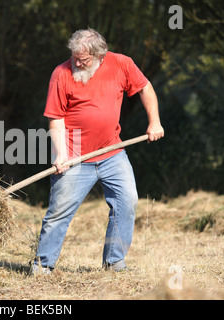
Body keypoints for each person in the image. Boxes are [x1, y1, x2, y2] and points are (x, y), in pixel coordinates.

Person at [32, 28, 164, 274]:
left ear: (101, 55)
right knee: (59, 212)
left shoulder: (122, 64)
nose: (77, 62)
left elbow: (145, 88)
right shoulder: (61, 73)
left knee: (127, 201)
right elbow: (55, 118)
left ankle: (114, 263)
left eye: (84, 59)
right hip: (74, 156)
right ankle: (42, 266)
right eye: (74, 57)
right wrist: (61, 155)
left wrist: (154, 121)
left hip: (112, 152)